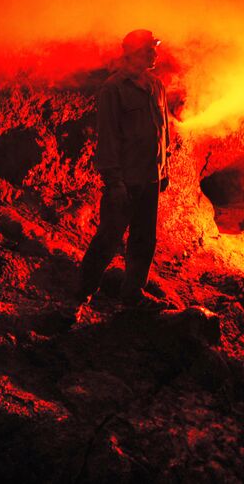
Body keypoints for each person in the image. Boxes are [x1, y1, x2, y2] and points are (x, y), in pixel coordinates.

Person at [76, 29, 171, 309]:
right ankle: (83, 292)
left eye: (154, 49)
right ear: (131, 53)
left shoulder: (156, 86)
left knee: (144, 239)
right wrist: (113, 181)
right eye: (148, 50)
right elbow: (108, 138)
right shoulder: (113, 89)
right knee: (109, 237)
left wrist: (164, 171)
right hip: (126, 181)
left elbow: (162, 133)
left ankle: (133, 293)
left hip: (151, 178)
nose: (154, 54)